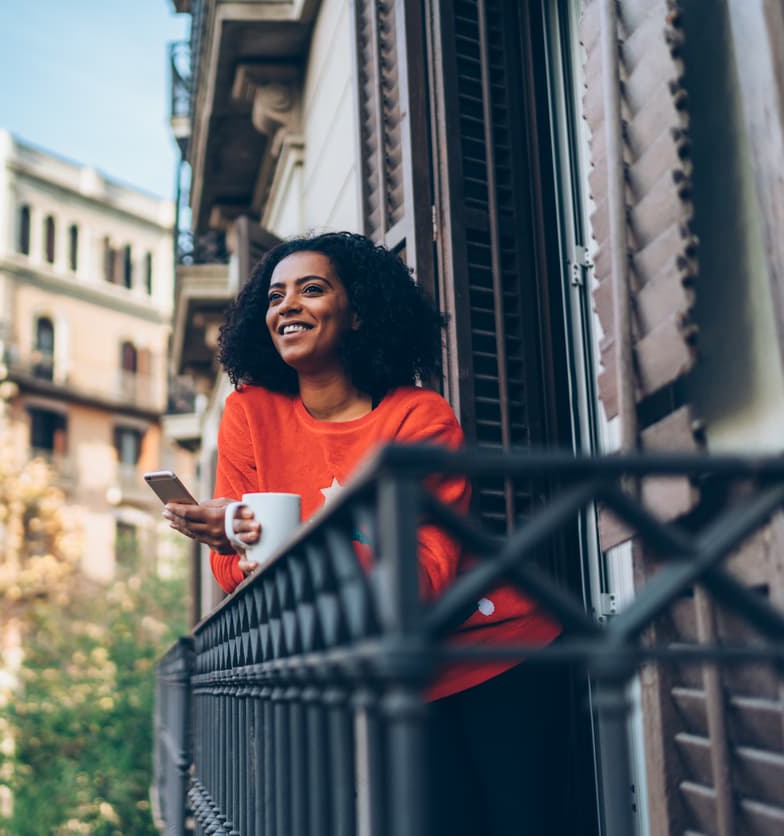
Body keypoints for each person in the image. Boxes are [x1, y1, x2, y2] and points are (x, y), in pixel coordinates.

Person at [163, 231, 566, 836]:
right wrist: (234, 538)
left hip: (498, 651)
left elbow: (422, 582)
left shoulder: (419, 417)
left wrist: (276, 541)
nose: (287, 305)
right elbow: (235, 580)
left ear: (357, 315)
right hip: (394, 675)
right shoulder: (250, 413)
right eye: (275, 296)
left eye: (312, 289)